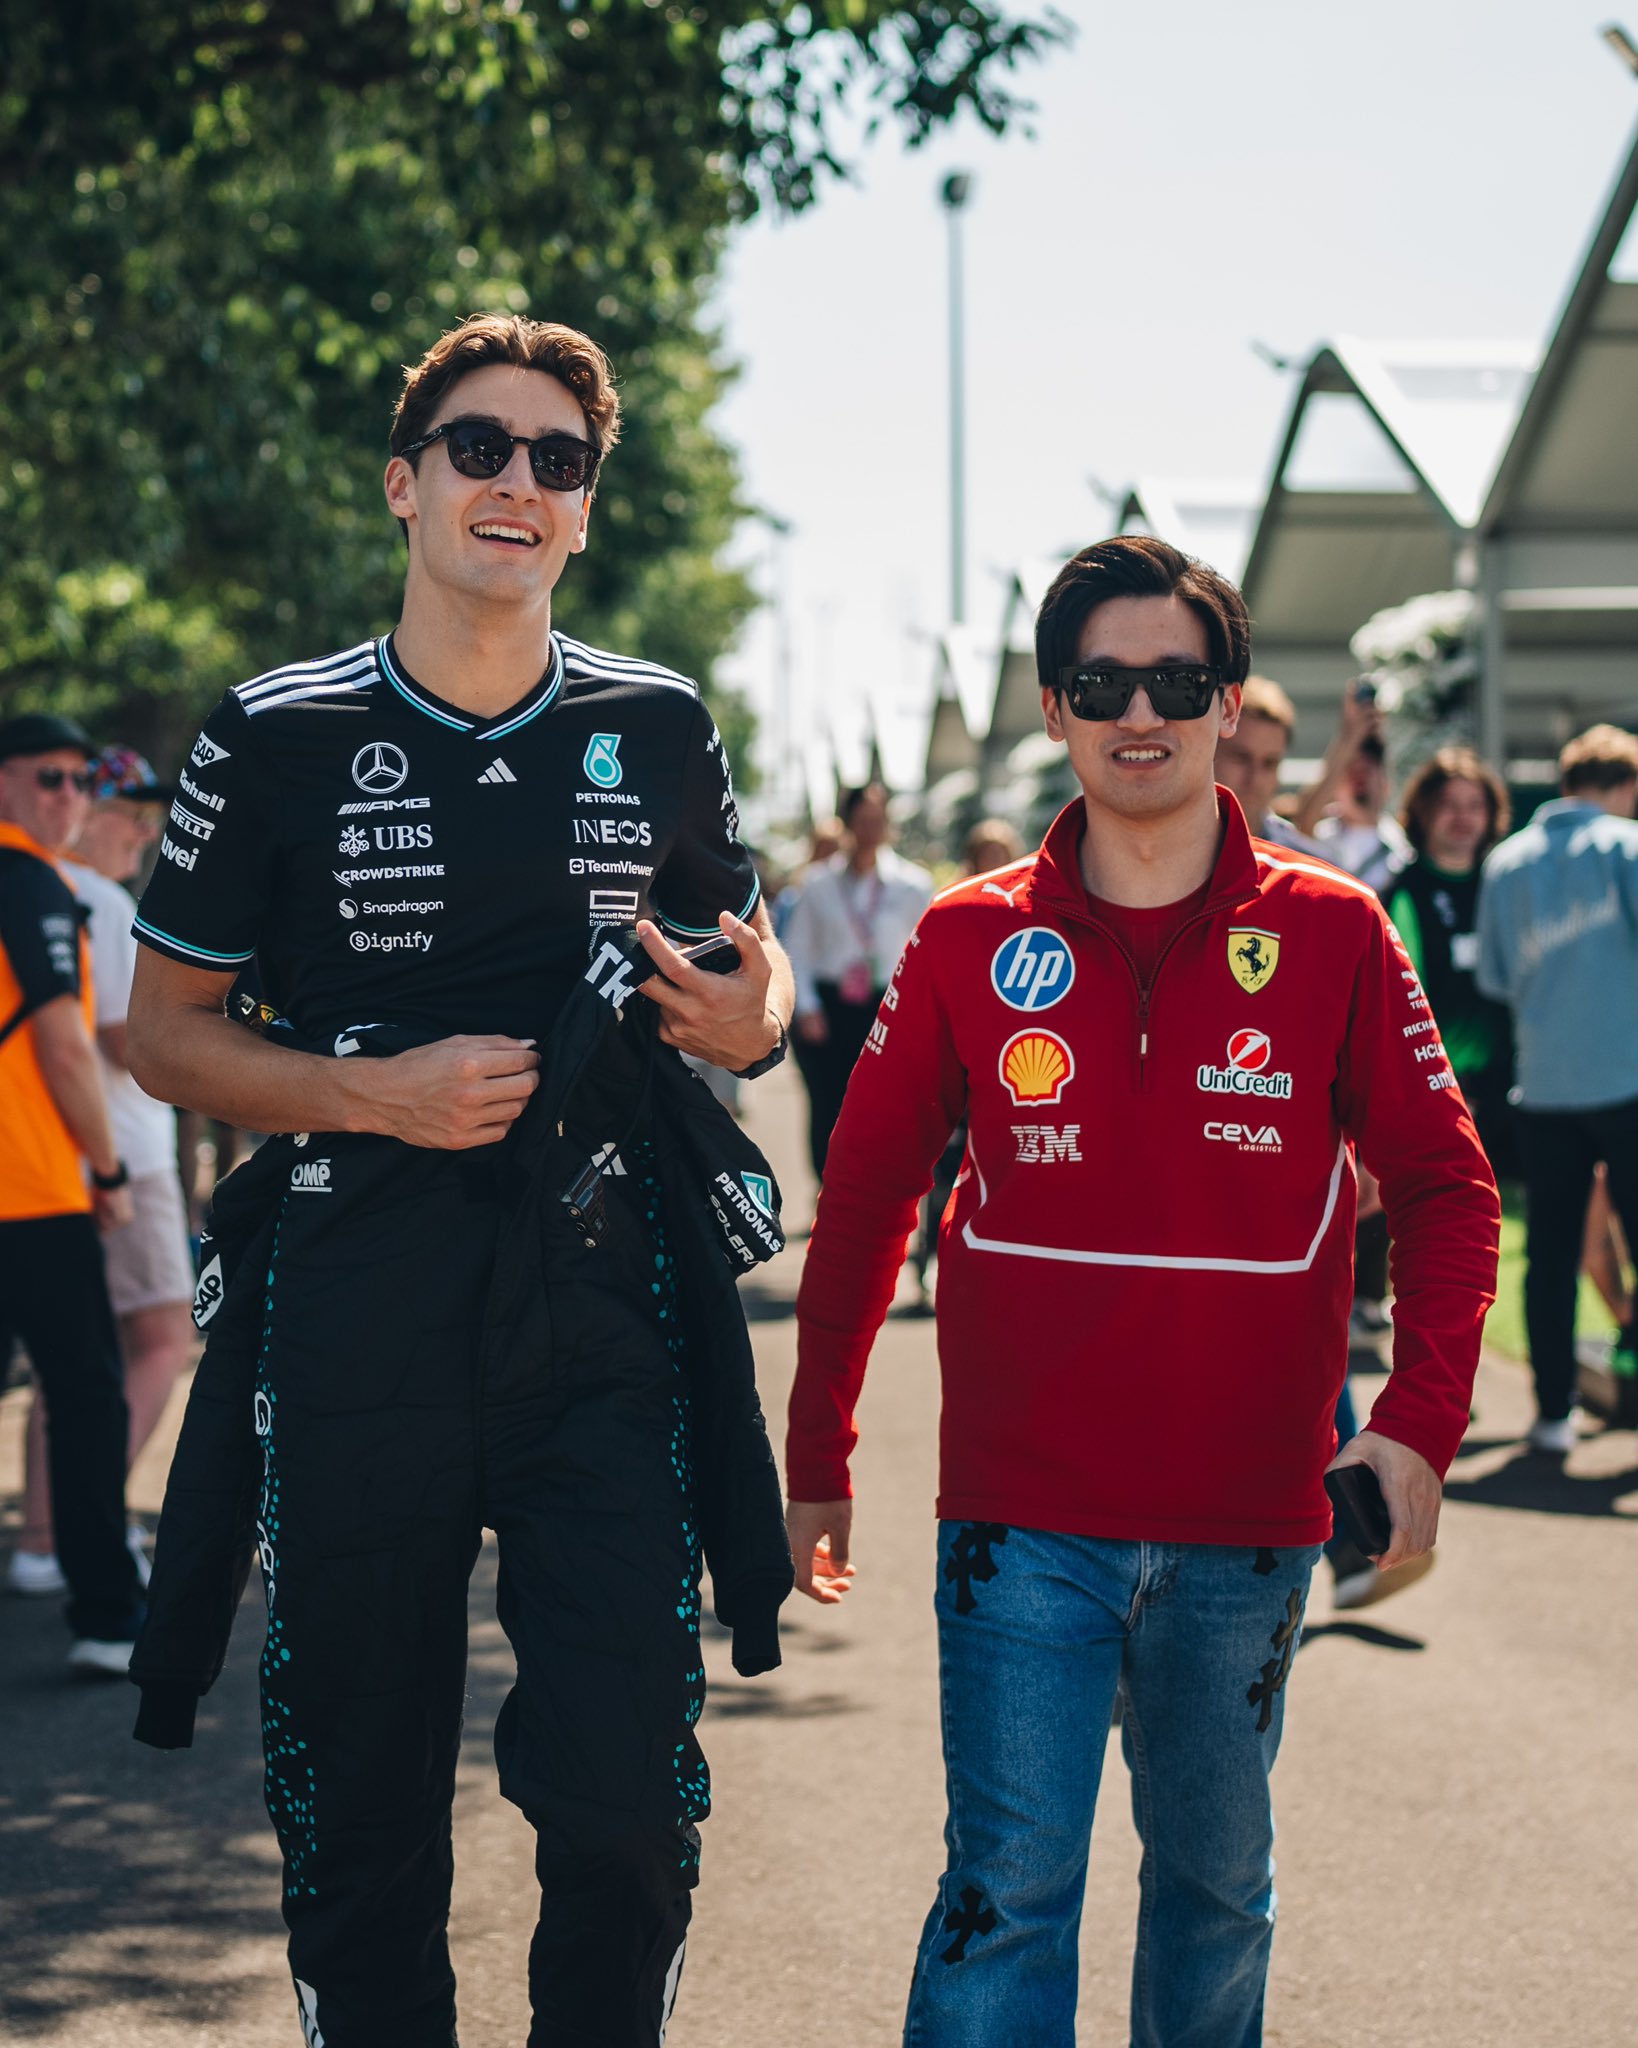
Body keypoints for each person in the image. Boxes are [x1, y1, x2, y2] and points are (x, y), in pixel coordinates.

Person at [125, 312, 794, 2048]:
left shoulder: (658, 721)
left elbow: (746, 971)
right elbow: (162, 1034)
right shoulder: (273, 732)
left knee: (626, 1798)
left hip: (601, 1299)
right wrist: (372, 1095)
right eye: (478, 448)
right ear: (403, 485)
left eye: (556, 460)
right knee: (360, 1808)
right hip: (359, 1297)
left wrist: (757, 1014)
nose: (517, 482)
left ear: (584, 510)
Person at [785, 535, 1499, 2046]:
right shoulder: (966, 935)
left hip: (1249, 1522)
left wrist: (1419, 1423)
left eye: (1177, 681)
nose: (1140, 713)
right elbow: (861, 1200)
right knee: (1006, 1894)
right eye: (1102, 682)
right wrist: (816, 1450)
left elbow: (1446, 1184)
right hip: (1021, 1519)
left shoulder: (1336, 930)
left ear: (1230, 701)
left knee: (1215, 1896)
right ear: (1053, 705)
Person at [0, 713, 147, 1672]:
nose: (70, 796)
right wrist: (108, 1168)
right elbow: (63, 1046)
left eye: (81, 780)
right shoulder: (31, 884)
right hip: (32, 1188)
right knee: (88, 1397)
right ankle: (107, 1614)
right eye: (48, 777)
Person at [1477, 723, 1638, 1448]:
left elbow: (1495, 976)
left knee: (1549, 1254)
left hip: (1542, 1085)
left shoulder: (1506, 860)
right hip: (1626, 1079)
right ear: (1624, 785)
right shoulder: (1627, 846)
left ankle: (1552, 1413)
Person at [783, 783, 932, 1179]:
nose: (870, 829)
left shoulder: (912, 885)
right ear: (847, 823)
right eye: (862, 820)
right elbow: (797, 951)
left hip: (886, 1008)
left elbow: (927, 956)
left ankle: (875, 1191)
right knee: (828, 1105)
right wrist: (808, 1008)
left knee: (885, 1105)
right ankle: (828, 1189)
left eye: (878, 820)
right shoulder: (817, 883)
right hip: (829, 1011)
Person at [1382, 747, 1514, 1173]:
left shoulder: (1505, 884)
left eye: (1475, 806)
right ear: (1422, 812)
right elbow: (1399, 1003)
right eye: (1449, 805)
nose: (1463, 817)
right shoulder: (1403, 892)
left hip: (1505, 1091)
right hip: (1432, 1091)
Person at [1291, 680, 1410, 893]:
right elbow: (1304, 819)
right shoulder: (1323, 837)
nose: (1360, 777)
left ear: (1386, 785)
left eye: (1369, 769)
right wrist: (1349, 737)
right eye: (1351, 770)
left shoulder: (1404, 850)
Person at [1213, 674, 1329, 859]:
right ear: (1211, 751)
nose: (1255, 778)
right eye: (1242, 758)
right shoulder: (1169, 849)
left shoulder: (1301, 864)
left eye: (1269, 763)